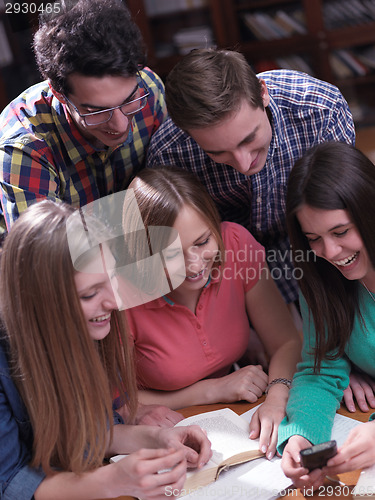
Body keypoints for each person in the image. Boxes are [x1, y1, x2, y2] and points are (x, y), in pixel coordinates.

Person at [0, 199, 211, 500]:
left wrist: (158, 438)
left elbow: (92, 433)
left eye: (112, 279)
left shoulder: (87, 332)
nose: (114, 302)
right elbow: (9, 482)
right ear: (40, 304)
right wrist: (112, 481)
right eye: (89, 294)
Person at [146, 48, 355, 307]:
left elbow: (345, 209)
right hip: (226, 271)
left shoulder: (321, 108)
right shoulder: (169, 152)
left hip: (315, 249)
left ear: (263, 93)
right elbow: (182, 253)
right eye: (218, 152)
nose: (244, 163)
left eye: (249, 139)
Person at [123, 166, 302, 460]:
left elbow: (285, 342)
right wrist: (213, 390)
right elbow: (112, 401)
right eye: (171, 255)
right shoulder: (123, 296)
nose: (194, 265)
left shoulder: (235, 244)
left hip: (234, 419)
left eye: (203, 241)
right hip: (166, 433)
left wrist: (277, 395)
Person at [0, 0, 167, 241]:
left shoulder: (150, 91)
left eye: (128, 100)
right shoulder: (25, 148)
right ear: (59, 94)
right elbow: (48, 262)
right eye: (96, 111)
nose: (121, 126)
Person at [276, 141, 375, 489]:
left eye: (341, 231)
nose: (330, 252)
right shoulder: (320, 277)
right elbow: (322, 367)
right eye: (313, 238)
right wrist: (300, 436)